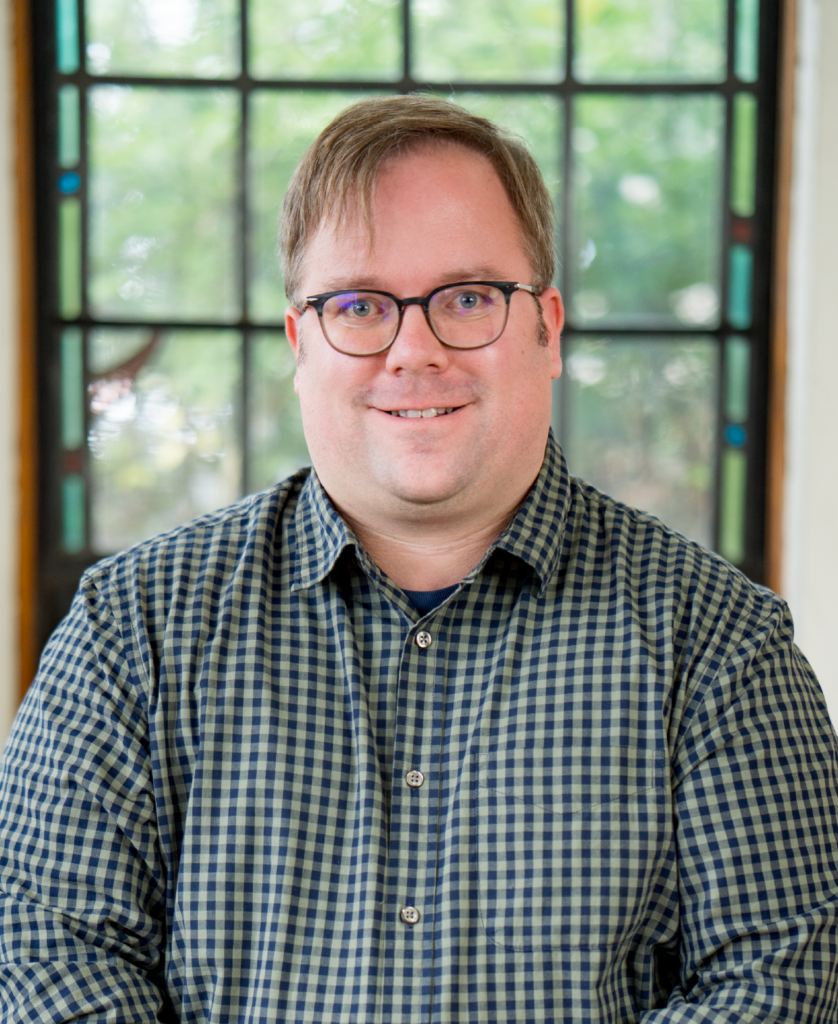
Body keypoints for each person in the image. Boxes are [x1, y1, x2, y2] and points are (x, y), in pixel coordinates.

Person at [1, 95, 837, 1024]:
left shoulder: (720, 644)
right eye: (358, 305)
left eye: (468, 298)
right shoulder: (134, 628)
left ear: (547, 329)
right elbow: (51, 951)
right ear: (299, 341)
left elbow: (779, 981)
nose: (414, 350)